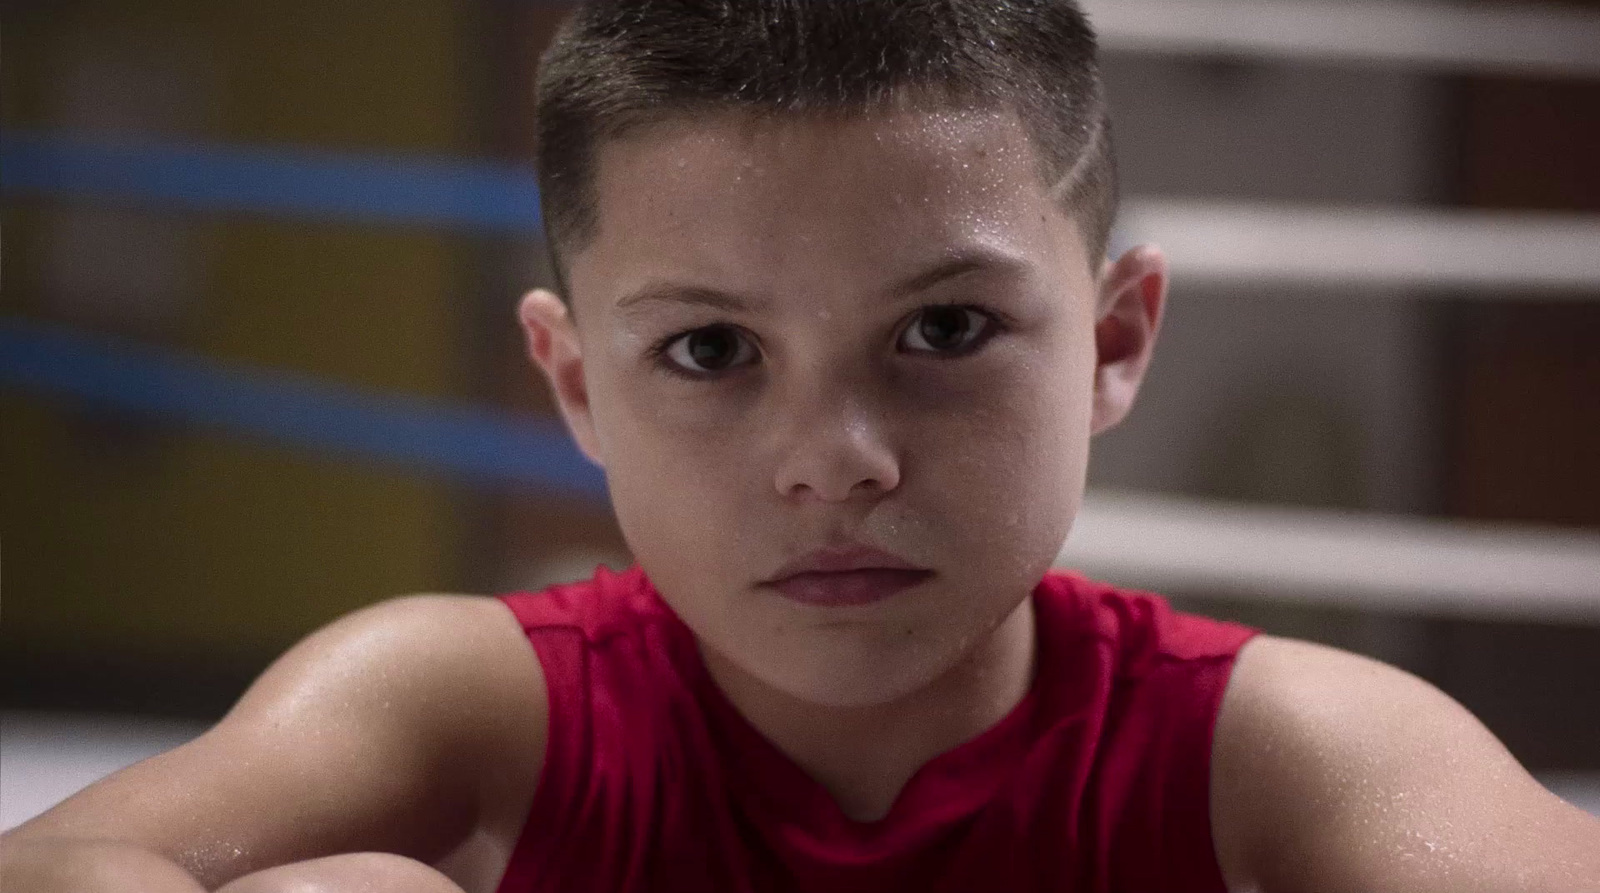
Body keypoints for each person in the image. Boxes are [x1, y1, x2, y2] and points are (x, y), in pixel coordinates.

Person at [4, 2, 1598, 891]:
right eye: (709, 350)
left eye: (945, 330)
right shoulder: (473, 700)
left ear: (1112, 341)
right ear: (576, 384)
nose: (835, 459)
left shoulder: (1286, 750)